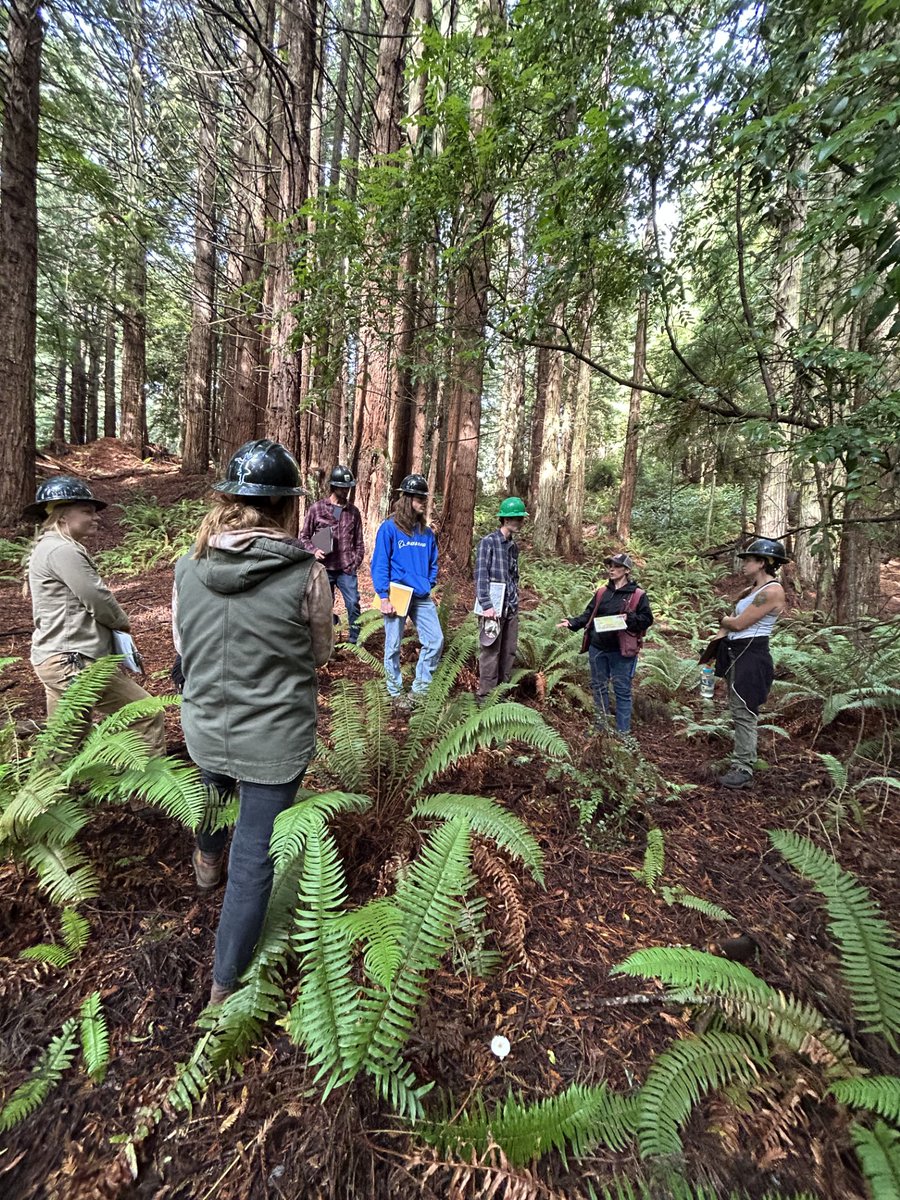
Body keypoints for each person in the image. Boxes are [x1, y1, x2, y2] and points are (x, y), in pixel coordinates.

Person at [173, 439, 334, 1005]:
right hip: (275, 738)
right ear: (288, 507)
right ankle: (223, 990)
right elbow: (318, 654)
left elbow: (183, 644)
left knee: (214, 794)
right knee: (255, 860)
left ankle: (203, 865)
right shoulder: (307, 576)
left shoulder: (186, 567)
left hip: (205, 725)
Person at [23, 475, 166, 755]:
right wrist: (122, 622)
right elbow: (96, 598)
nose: (95, 517)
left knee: (64, 739)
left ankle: (43, 796)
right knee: (146, 714)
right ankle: (146, 792)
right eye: (86, 511)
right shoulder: (62, 550)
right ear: (63, 515)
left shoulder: (52, 547)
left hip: (57, 658)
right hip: (72, 661)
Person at [708, 537, 787, 789]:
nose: (744, 564)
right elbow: (735, 620)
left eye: (749, 560)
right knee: (737, 706)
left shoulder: (772, 591)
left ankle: (743, 767)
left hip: (751, 655)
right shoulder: (752, 590)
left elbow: (739, 623)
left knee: (745, 709)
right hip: (736, 651)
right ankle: (740, 759)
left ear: (763, 563)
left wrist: (723, 620)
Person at [557, 553, 654, 735]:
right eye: (610, 565)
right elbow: (589, 614)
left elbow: (647, 619)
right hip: (598, 648)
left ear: (627, 570)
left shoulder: (637, 595)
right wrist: (572, 623)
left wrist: (629, 618)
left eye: (617, 566)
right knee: (599, 688)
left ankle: (623, 734)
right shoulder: (602, 592)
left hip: (622, 651)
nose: (612, 569)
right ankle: (601, 729)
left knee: (622, 691)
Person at [370, 473, 442, 710]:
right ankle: (394, 692)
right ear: (407, 498)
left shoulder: (426, 533)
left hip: (421, 596)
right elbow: (380, 563)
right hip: (397, 593)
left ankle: (419, 690)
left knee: (435, 640)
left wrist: (429, 582)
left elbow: (433, 562)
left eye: (424, 497)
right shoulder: (389, 528)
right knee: (392, 646)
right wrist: (383, 596)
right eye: (420, 497)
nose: (423, 502)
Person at [299, 464, 365, 645]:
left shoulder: (354, 512)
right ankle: (328, 638)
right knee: (323, 607)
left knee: (353, 604)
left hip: (346, 568)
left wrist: (355, 561)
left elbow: (359, 542)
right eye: (342, 487)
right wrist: (314, 550)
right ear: (333, 486)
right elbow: (304, 537)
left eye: (348, 487)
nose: (345, 490)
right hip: (324, 568)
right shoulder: (317, 509)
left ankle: (355, 640)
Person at [474, 497, 528, 702]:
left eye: (520, 518)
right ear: (506, 519)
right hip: (492, 608)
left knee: (508, 651)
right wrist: (487, 605)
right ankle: (486, 696)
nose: (520, 522)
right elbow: (481, 577)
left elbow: (513, 578)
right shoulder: (488, 542)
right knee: (490, 651)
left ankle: (501, 693)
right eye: (516, 518)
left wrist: (515, 602)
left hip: (510, 607)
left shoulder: (513, 547)